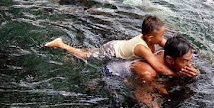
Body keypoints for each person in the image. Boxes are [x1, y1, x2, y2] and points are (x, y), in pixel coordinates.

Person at [45, 16, 196, 77]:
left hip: (119, 45)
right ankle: (61, 44)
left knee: (91, 52)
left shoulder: (154, 40)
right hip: (112, 51)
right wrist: (178, 75)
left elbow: (170, 46)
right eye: (161, 36)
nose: (163, 39)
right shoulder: (142, 48)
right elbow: (159, 67)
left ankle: (70, 51)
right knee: (85, 56)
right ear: (151, 37)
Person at [131, 35, 199, 108]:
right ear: (170, 60)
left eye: (190, 60)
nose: (189, 65)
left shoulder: (169, 53)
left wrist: (195, 74)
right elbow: (141, 98)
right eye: (185, 61)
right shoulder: (148, 72)